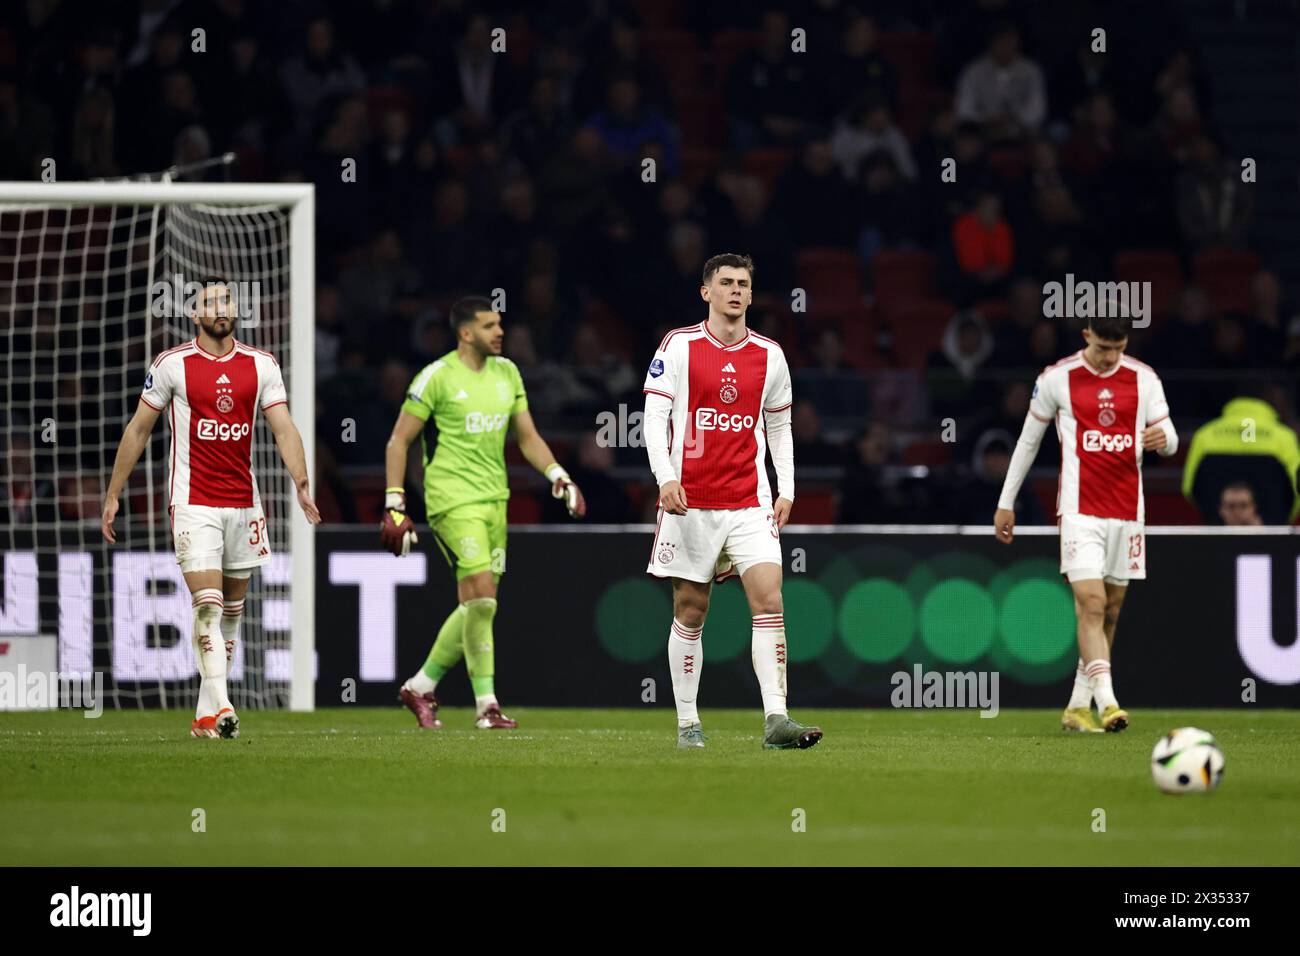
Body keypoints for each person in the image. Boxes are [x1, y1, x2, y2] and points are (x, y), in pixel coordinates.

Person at [101, 279, 321, 740]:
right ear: (194, 315)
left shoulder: (261, 365)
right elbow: (139, 429)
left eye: (227, 300)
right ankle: (223, 706)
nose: (221, 308)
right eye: (210, 303)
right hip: (193, 502)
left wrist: (301, 482)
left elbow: (284, 428)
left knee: (232, 615)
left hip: (244, 503)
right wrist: (114, 492)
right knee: (209, 604)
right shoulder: (171, 365)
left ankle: (204, 716)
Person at [641, 253, 821, 751]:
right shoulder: (678, 346)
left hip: (749, 501)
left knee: (770, 600)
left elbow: (780, 426)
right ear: (707, 292)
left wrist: (786, 487)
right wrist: (665, 478)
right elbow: (654, 418)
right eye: (726, 283)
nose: (736, 290)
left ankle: (776, 719)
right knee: (692, 609)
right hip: (691, 502)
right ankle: (687, 723)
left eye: (743, 283)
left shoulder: (770, 355)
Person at [383, 296, 586, 730]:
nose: (500, 332)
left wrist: (558, 474)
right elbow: (398, 441)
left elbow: (527, 436)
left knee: (482, 604)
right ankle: (486, 705)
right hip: (451, 500)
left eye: (500, 324)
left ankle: (421, 685)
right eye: (490, 325)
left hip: (496, 498)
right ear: (466, 332)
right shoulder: (436, 377)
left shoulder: (507, 372)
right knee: (480, 594)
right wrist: (395, 501)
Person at [993, 312, 1179, 734]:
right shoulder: (1057, 378)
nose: (1108, 358)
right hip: (1080, 512)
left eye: (1117, 349)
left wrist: (1162, 439)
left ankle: (1078, 707)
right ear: (1086, 336)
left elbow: (1169, 436)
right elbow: (1027, 441)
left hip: (1128, 515)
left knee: (1110, 611)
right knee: (1091, 603)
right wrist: (1006, 501)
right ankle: (1109, 703)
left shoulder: (1144, 379)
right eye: (1101, 348)